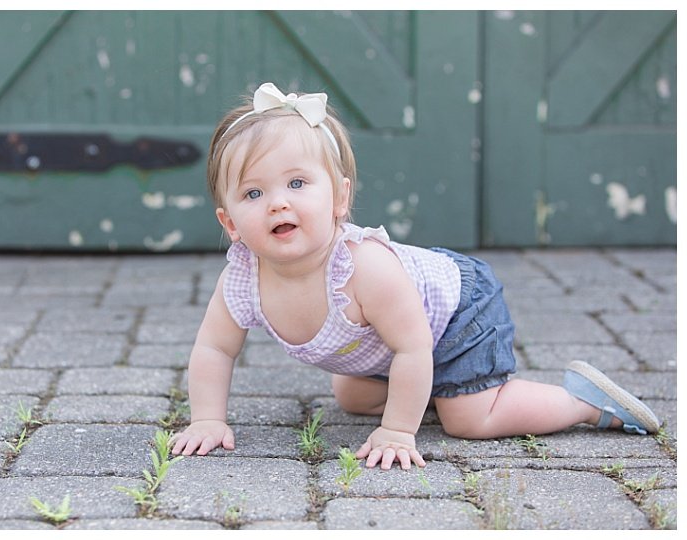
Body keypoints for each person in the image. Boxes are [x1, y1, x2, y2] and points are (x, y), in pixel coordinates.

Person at [171, 82, 660, 470]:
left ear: (339, 200)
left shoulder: (363, 267)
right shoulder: (242, 280)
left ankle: (583, 404)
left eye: (298, 183)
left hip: (455, 314)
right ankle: (432, 390)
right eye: (254, 193)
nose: (279, 201)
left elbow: (413, 345)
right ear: (230, 223)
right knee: (352, 394)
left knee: (468, 419)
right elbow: (214, 348)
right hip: (396, 345)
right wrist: (208, 419)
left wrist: (398, 431)